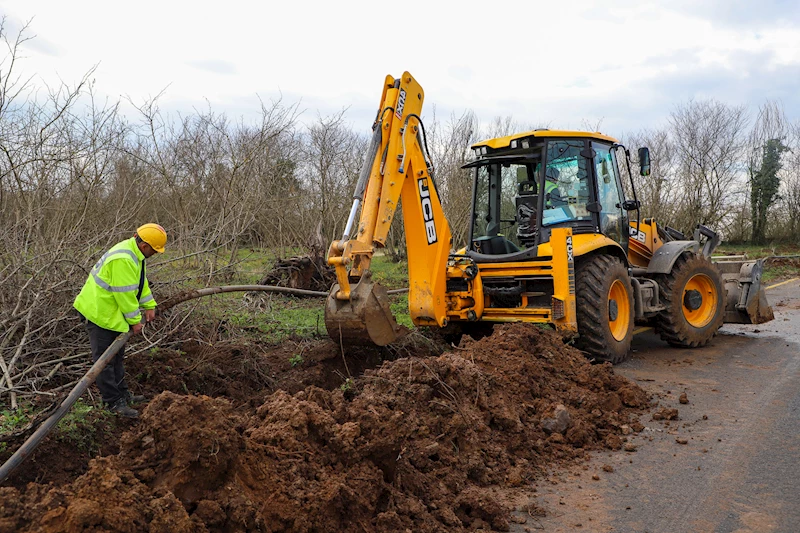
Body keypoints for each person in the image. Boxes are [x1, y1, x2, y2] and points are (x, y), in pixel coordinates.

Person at [73, 224, 167, 418]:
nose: (156, 254)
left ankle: (122, 394)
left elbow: (139, 284)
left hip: (111, 313)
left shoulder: (135, 254)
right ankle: (113, 402)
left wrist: (149, 305)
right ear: (144, 245)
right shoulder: (123, 258)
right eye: (155, 250)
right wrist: (135, 320)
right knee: (105, 360)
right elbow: (124, 294)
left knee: (116, 357)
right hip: (100, 312)